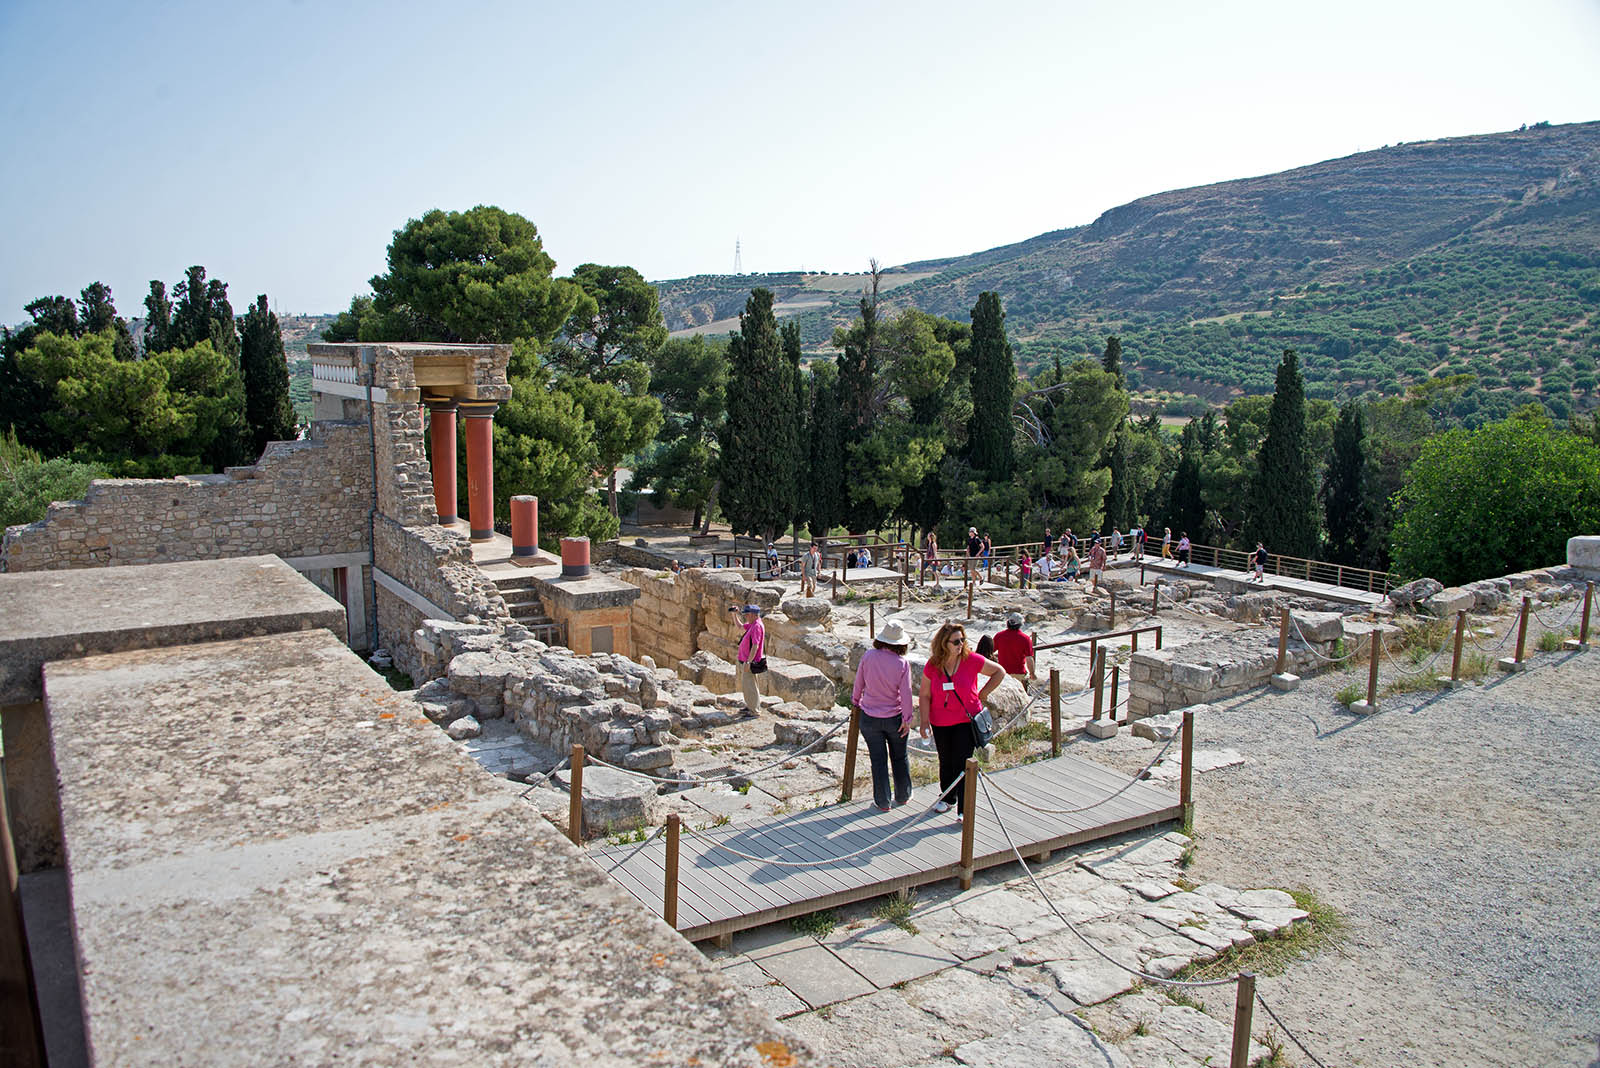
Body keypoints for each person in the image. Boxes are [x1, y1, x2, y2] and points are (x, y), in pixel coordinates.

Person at [919, 622, 1005, 816]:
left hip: (965, 720)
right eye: (956, 641)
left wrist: (983, 694)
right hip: (940, 721)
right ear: (944, 643)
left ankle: (964, 809)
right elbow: (924, 694)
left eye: (962, 640)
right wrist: (924, 721)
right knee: (945, 761)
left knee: (963, 763)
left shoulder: (971, 659)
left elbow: (999, 672)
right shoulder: (933, 664)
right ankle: (947, 797)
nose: (961, 644)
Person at [852, 621, 915, 811]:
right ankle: (903, 795)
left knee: (878, 760)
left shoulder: (868, 656)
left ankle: (882, 801)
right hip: (894, 717)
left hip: (870, 716)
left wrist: (855, 701)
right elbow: (906, 693)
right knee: (899, 757)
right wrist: (907, 718)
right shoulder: (902, 663)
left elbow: (859, 682)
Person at [735, 604, 766, 714]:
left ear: (753, 614)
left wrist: (748, 662)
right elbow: (740, 627)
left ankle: (754, 711)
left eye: (747, 615)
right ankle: (750, 706)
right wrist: (734, 615)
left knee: (750, 686)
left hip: (750, 661)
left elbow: (755, 646)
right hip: (747, 660)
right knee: (748, 685)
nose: (746, 617)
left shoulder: (757, 626)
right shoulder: (753, 624)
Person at [993, 612, 1036, 689]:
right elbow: (1029, 658)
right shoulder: (1025, 639)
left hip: (1002, 672)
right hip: (1018, 673)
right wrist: (1032, 673)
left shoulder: (999, 636)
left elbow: (990, 651)